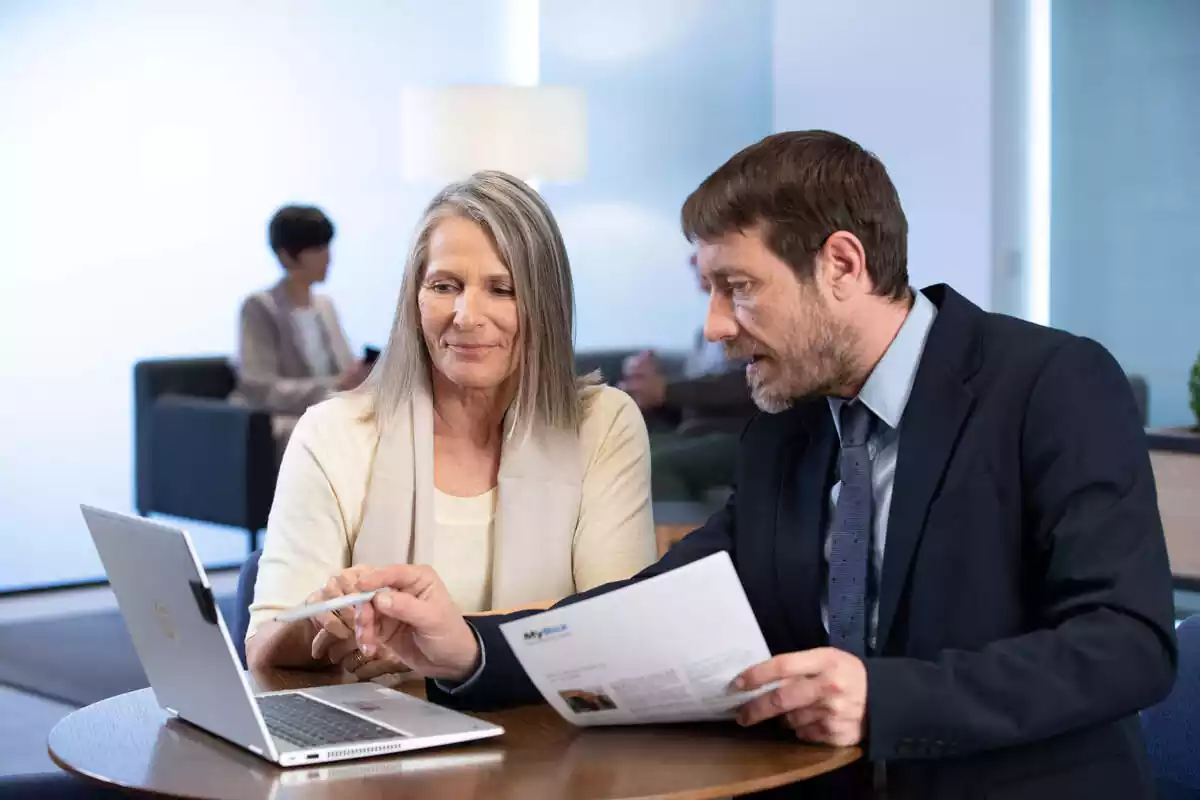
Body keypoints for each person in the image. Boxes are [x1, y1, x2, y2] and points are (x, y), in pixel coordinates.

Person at [347, 132, 1177, 799]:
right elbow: (658, 602)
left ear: (842, 266)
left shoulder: (1050, 384)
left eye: (736, 286)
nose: (713, 327)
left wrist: (885, 699)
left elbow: (1126, 643)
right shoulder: (788, 424)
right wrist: (471, 650)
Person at [244, 172, 657, 680]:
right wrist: (321, 619)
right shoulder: (331, 432)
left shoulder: (604, 424)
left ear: (545, 305)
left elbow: (619, 625)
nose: (466, 315)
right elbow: (263, 647)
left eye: (502, 289)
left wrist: (438, 640)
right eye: (445, 286)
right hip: (382, 740)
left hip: (556, 739)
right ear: (414, 298)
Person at [620, 252, 756, 503]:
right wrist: (644, 392)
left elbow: (749, 385)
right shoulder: (702, 334)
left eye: (702, 250)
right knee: (616, 451)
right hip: (699, 433)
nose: (692, 261)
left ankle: (674, 539)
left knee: (650, 465)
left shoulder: (754, 322)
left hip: (746, 437)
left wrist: (665, 391)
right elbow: (693, 405)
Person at [235, 204, 372, 451]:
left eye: (328, 246)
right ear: (287, 255)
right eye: (318, 248)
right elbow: (260, 386)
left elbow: (344, 371)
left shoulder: (325, 306)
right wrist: (333, 387)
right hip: (287, 419)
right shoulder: (260, 307)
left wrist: (360, 376)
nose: (328, 257)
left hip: (331, 411)